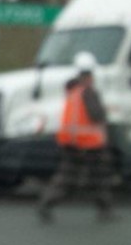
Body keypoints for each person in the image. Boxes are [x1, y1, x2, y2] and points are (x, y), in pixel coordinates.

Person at [37, 52, 114, 224]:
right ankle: (105, 210)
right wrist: (105, 113)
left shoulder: (72, 92)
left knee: (67, 178)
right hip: (90, 144)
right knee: (99, 178)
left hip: (70, 143)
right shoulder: (88, 93)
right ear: (89, 75)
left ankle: (47, 203)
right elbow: (97, 115)